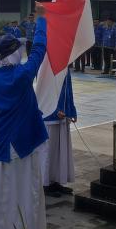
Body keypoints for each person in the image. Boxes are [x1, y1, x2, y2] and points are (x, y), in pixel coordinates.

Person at [0, 3, 48, 229]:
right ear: (15, 53)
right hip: (22, 143)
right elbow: (39, 49)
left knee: (1, 193)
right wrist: (42, 19)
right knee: (25, 191)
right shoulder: (21, 76)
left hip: (1, 145)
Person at [41, 70, 76, 198]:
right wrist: (55, 110)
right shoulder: (48, 65)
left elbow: (68, 90)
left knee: (59, 152)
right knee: (49, 151)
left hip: (63, 114)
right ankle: (45, 183)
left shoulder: (65, 66)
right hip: (50, 116)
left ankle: (55, 180)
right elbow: (44, 92)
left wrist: (72, 110)